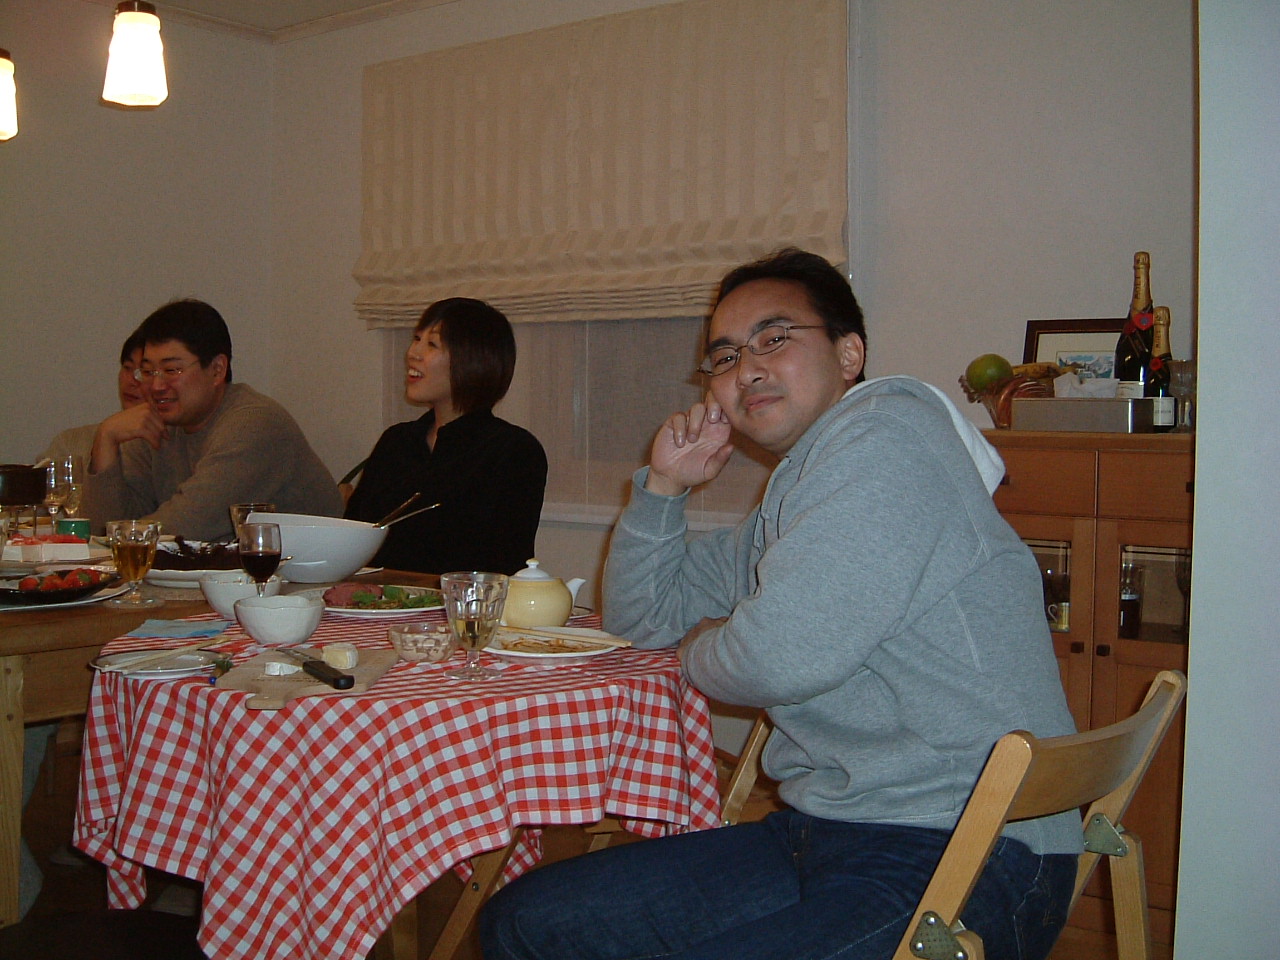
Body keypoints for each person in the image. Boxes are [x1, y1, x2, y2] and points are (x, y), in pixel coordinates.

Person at [479, 249, 1081, 960]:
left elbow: (776, 658)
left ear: (849, 353)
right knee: (525, 921)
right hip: (826, 830)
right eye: (726, 356)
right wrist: (665, 491)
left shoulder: (888, 441)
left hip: (967, 846)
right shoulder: (797, 495)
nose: (747, 370)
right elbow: (641, 621)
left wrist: (701, 645)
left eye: (774, 338)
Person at [82, 299, 342, 540]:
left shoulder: (254, 424)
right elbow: (102, 531)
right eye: (148, 371)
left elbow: (186, 525)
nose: (156, 386)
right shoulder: (156, 423)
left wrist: (119, 535)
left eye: (171, 370)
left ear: (217, 369)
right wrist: (106, 438)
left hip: (305, 571)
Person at [344, 297, 546, 574]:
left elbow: (503, 565)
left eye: (432, 344)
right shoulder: (396, 441)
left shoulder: (513, 450)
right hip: (374, 598)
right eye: (417, 339)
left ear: (472, 359)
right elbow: (353, 542)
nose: (413, 353)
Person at [39, 330, 147, 464]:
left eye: (145, 372)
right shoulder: (70, 444)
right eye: (127, 367)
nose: (131, 381)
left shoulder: (167, 450)